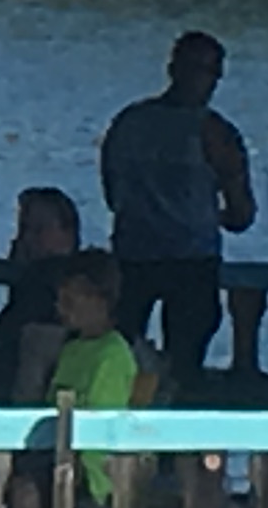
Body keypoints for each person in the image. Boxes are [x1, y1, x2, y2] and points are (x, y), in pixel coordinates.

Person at [97, 31, 254, 378]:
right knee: (184, 363)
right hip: (191, 262)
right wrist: (217, 214)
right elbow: (242, 214)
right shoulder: (215, 133)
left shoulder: (128, 123)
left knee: (121, 353)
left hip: (133, 257)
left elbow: (112, 195)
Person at [10, 250, 139, 508]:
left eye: (71, 300)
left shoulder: (112, 354)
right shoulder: (71, 350)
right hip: (58, 450)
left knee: (29, 490)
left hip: (90, 467)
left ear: (99, 299)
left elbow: (102, 424)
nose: (61, 309)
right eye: (60, 300)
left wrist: (86, 476)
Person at [0, 187, 83, 404]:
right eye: (24, 229)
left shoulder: (59, 282)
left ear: (68, 233)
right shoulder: (30, 280)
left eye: (40, 229)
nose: (29, 238)